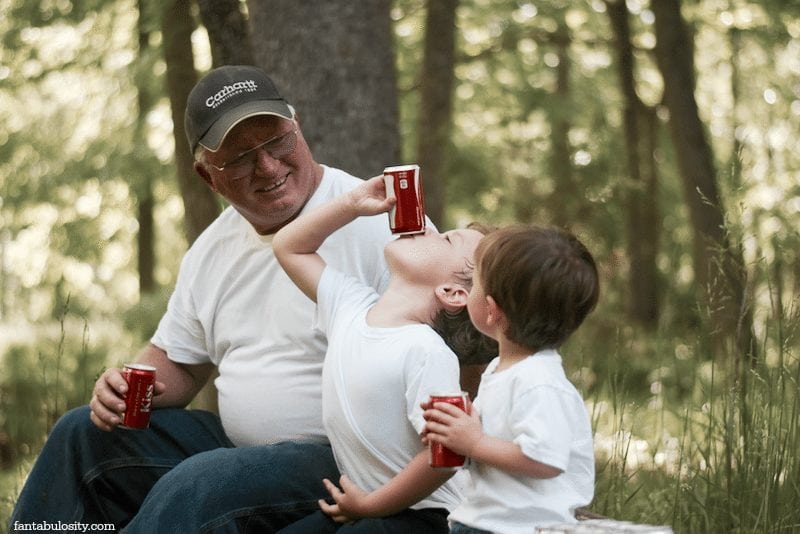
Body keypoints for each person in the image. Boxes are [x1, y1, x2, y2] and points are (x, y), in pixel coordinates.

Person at [9, 65, 399, 533]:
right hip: (242, 452)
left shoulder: (379, 219)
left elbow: (452, 351)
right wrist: (121, 386)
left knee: (202, 483)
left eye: (277, 141)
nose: (269, 166)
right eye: (240, 158)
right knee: (83, 433)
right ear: (207, 176)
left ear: (298, 128)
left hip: (348, 460)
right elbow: (182, 364)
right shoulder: (210, 253)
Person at [271, 176, 497, 533]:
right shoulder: (349, 306)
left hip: (427, 516)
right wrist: (352, 203)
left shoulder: (427, 352)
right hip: (369, 509)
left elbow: (448, 455)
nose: (426, 227)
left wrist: (371, 505)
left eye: (447, 238)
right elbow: (288, 246)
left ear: (453, 292)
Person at [423, 224, 600, 534]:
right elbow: (496, 450)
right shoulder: (500, 371)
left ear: (491, 310)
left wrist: (474, 442)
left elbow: (545, 459)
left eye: (475, 283)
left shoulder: (540, 381)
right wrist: (457, 440)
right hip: (483, 521)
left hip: (520, 528)